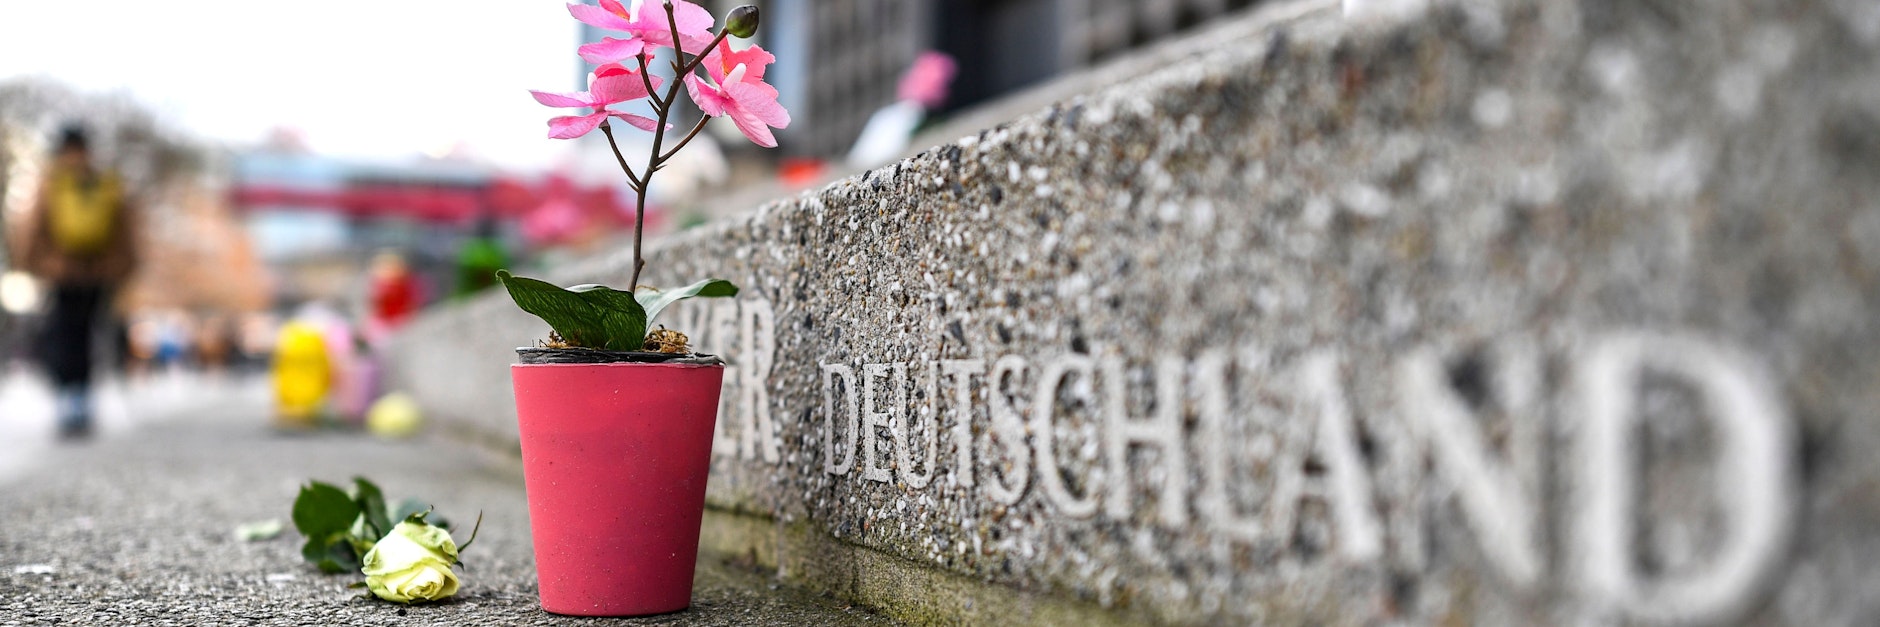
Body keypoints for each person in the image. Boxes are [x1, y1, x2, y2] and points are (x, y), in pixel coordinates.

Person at [17, 125, 140, 439]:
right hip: (98, 272)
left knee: (64, 334)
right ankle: (81, 400)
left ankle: (69, 400)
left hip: (61, 273)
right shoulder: (104, 182)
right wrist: (122, 267)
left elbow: (31, 227)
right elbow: (125, 231)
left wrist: (34, 265)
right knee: (87, 335)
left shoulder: (52, 182)